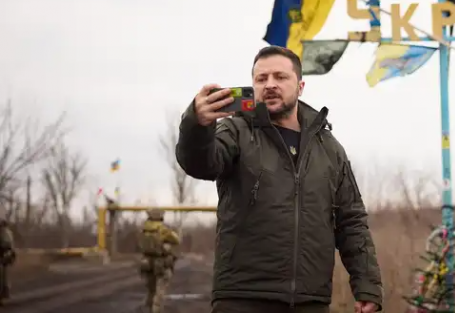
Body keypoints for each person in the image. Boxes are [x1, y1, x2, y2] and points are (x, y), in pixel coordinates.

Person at [175, 45, 382, 313]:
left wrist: (367, 285)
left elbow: (351, 220)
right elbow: (200, 164)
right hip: (242, 298)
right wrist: (196, 125)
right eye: (261, 79)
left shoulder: (328, 148)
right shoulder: (236, 131)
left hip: (311, 301)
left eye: (280, 77)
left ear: (300, 86)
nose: (270, 84)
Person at [138, 208, 181, 313]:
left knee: (150, 291)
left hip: (147, 263)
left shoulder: (143, 229)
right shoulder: (163, 230)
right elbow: (176, 240)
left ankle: (147, 309)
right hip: (161, 264)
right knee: (160, 292)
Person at [0, 217, 15, 306]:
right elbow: (11, 246)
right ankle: (4, 294)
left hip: (3, 256)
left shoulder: (4, 233)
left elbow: (6, 245)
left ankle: (3, 296)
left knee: (3, 277)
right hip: (7, 256)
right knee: (5, 277)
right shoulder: (9, 233)